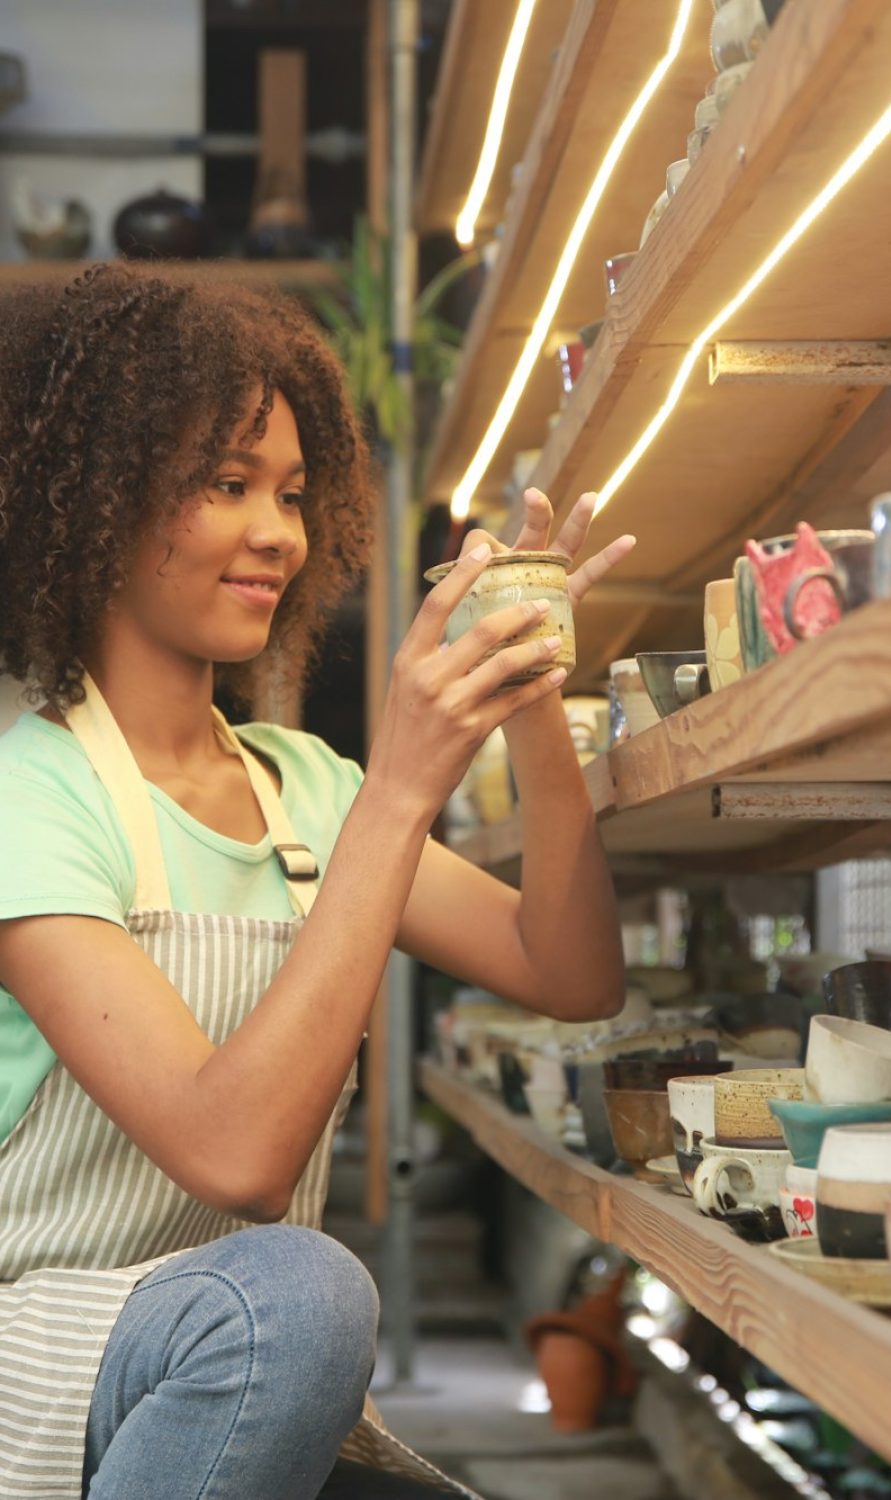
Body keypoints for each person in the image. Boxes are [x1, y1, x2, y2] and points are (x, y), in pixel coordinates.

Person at [0, 262, 635, 1499]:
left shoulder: (305, 790)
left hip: (235, 1355)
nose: (278, 533)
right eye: (226, 485)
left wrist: (530, 708)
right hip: (41, 1358)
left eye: (291, 492)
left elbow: (571, 975)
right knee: (300, 1285)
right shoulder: (30, 797)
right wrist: (399, 793)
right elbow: (235, 1155)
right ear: (93, 502)